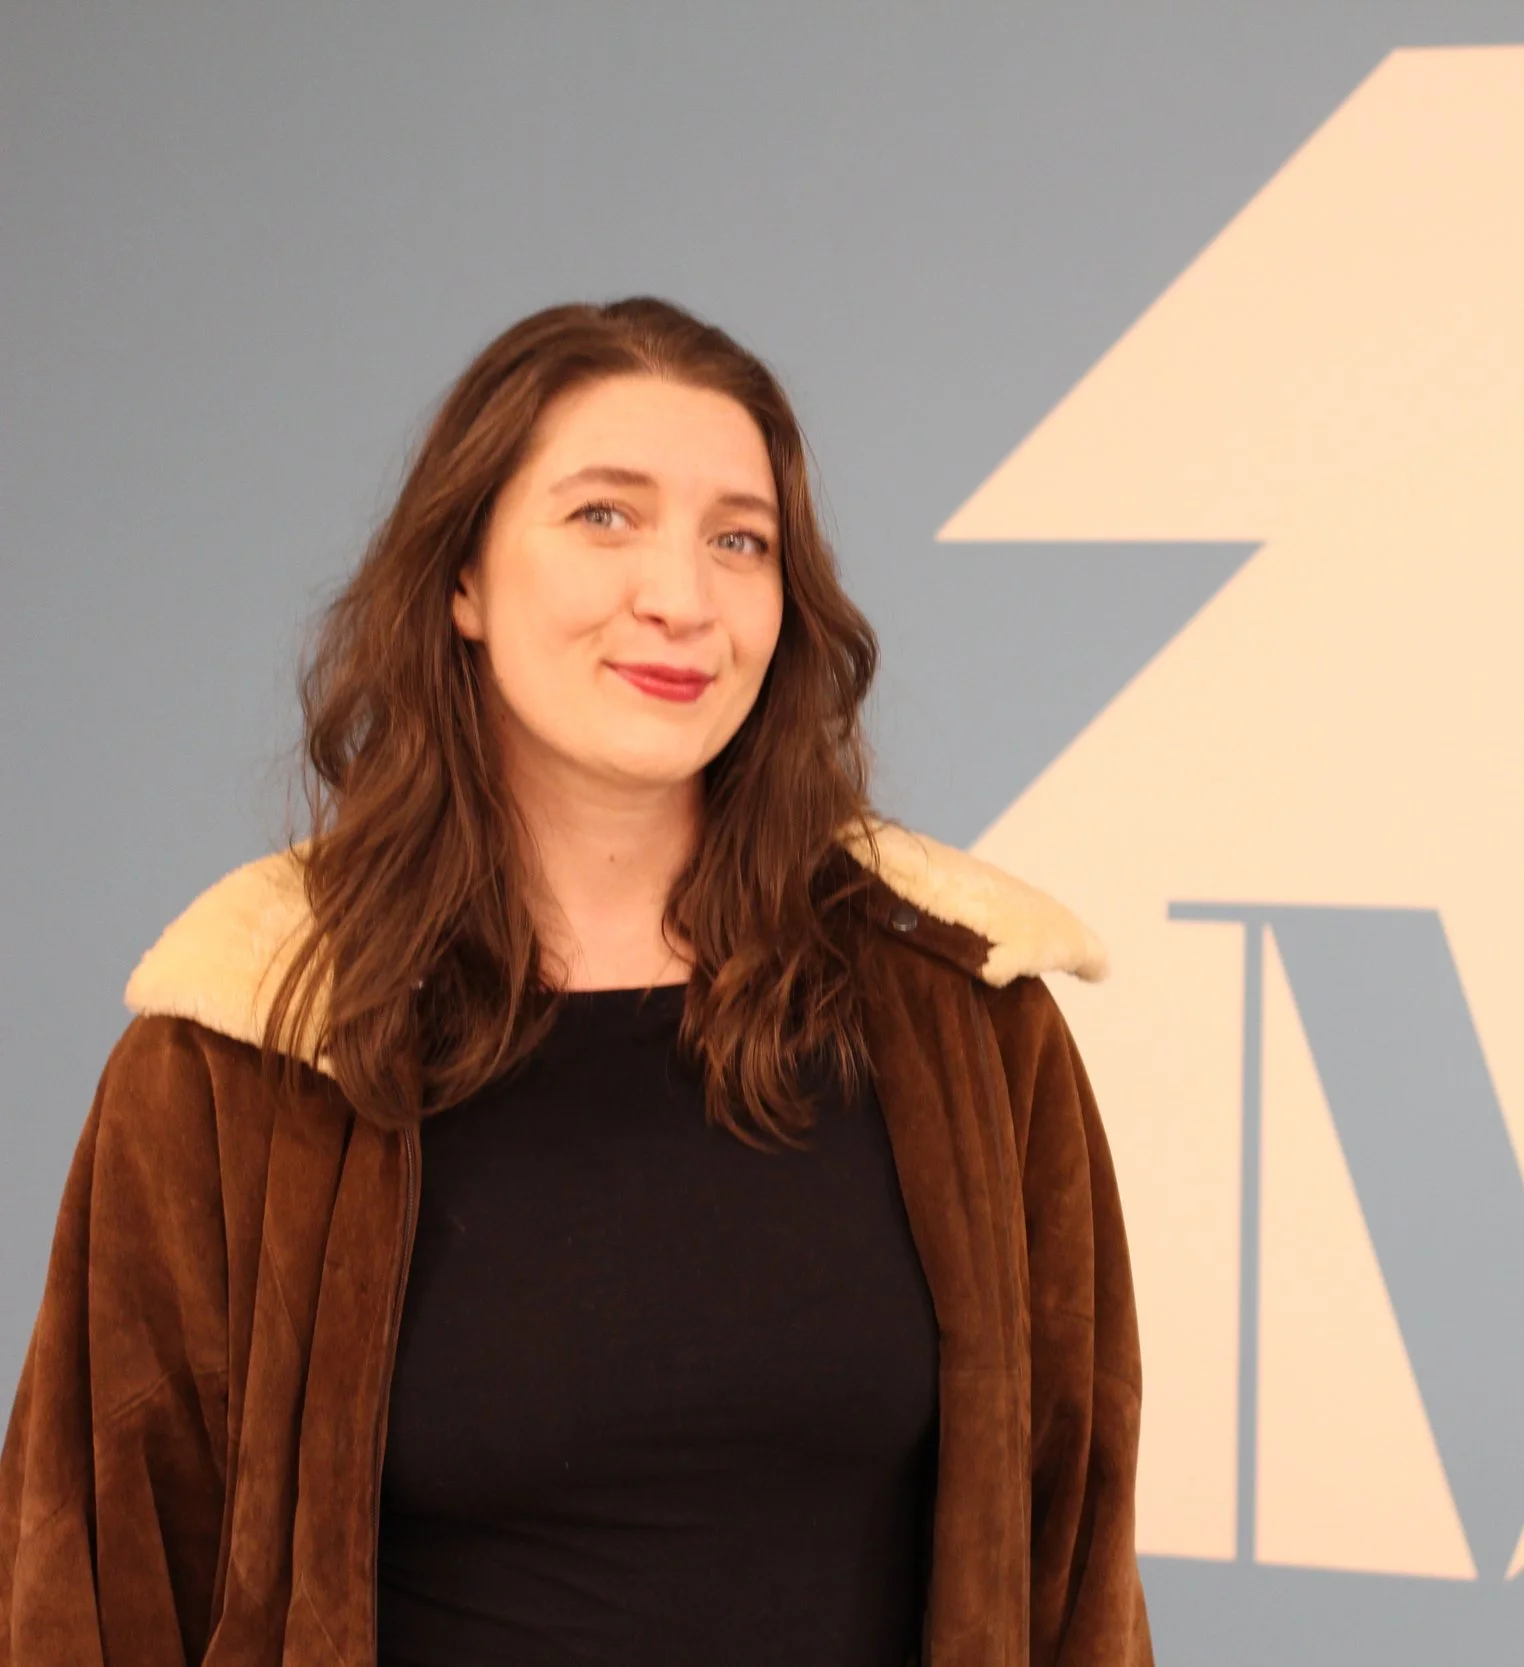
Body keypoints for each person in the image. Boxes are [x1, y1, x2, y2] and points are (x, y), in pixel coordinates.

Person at [0, 297, 1150, 1667]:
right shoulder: (246, 1043)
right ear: (464, 581)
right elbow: (94, 1583)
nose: (681, 595)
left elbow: (1073, 1570)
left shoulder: (965, 1014)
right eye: (605, 515)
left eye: (740, 538)